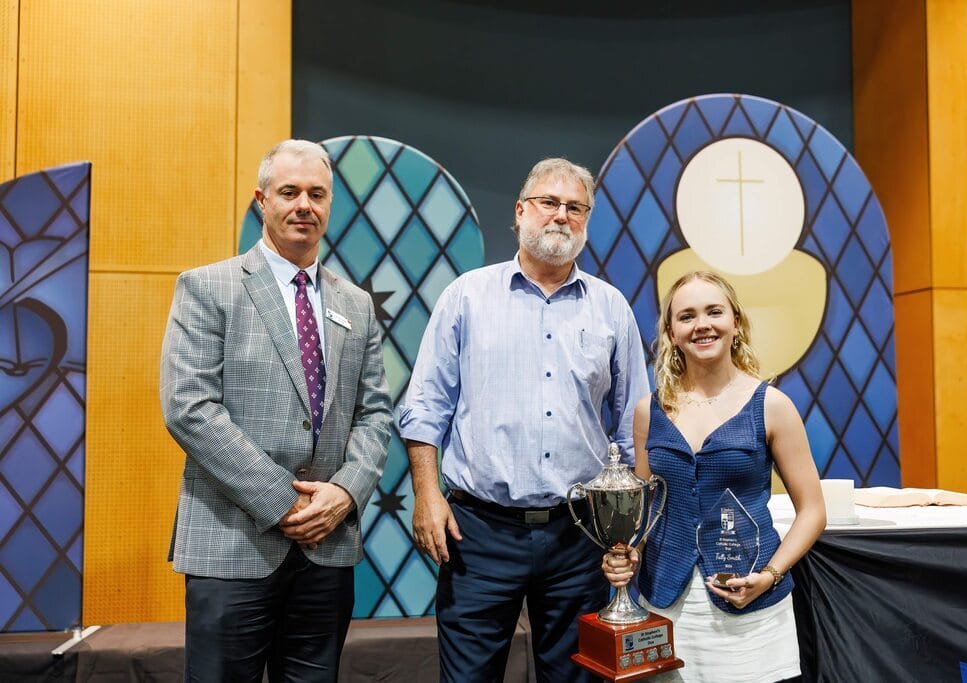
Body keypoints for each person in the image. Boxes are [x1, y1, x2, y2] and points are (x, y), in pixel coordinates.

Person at [399, 158, 649, 683]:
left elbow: (634, 424)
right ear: (519, 211)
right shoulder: (466, 297)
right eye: (548, 202)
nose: (561, 215)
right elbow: (424, 407)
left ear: (587, 220)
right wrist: (426, 494)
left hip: (580, 535)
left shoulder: (610, 308)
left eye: (575, 207)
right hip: (478, 533)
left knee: (577, 676)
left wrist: (632, 529)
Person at [160, 139, 392, 682]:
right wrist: (284, 502)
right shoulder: (208, 287)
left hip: (327, 548)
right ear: (261, 200)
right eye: (289, 192)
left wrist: (345, 493)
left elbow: (376, 414)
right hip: (232, 545)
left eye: (317, 194)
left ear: (330, 204)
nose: (304, 205)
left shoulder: (356, 304)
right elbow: (189, 407)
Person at [602, 271, 826, 682]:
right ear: (672, 333)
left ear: (735, 323)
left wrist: (770, 576)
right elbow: (645, 509)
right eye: (687, 316)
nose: (701, 324)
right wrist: (629, 553)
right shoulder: (648, 411)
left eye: (714, 312)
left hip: (751, 606)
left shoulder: (772, 406)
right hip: (665, 602)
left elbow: (812, 510)